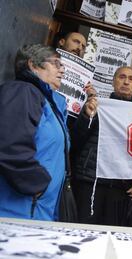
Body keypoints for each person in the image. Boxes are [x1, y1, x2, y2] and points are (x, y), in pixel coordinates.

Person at [70, 66, 132, 226]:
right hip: (91, 182)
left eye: (131, 79)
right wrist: (86, 116)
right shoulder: (97, 105)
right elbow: (76, 140)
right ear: (113, 82)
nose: (126, 82)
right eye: (122, 77)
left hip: (122, 188)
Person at [0, 44, 68, 221]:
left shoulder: (46, 100)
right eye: (56, 64)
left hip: (37, 210)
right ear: (33, 65)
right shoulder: (23, 91)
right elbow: (10, 146)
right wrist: (38, 185)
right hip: (18, 210)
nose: (62, 70)